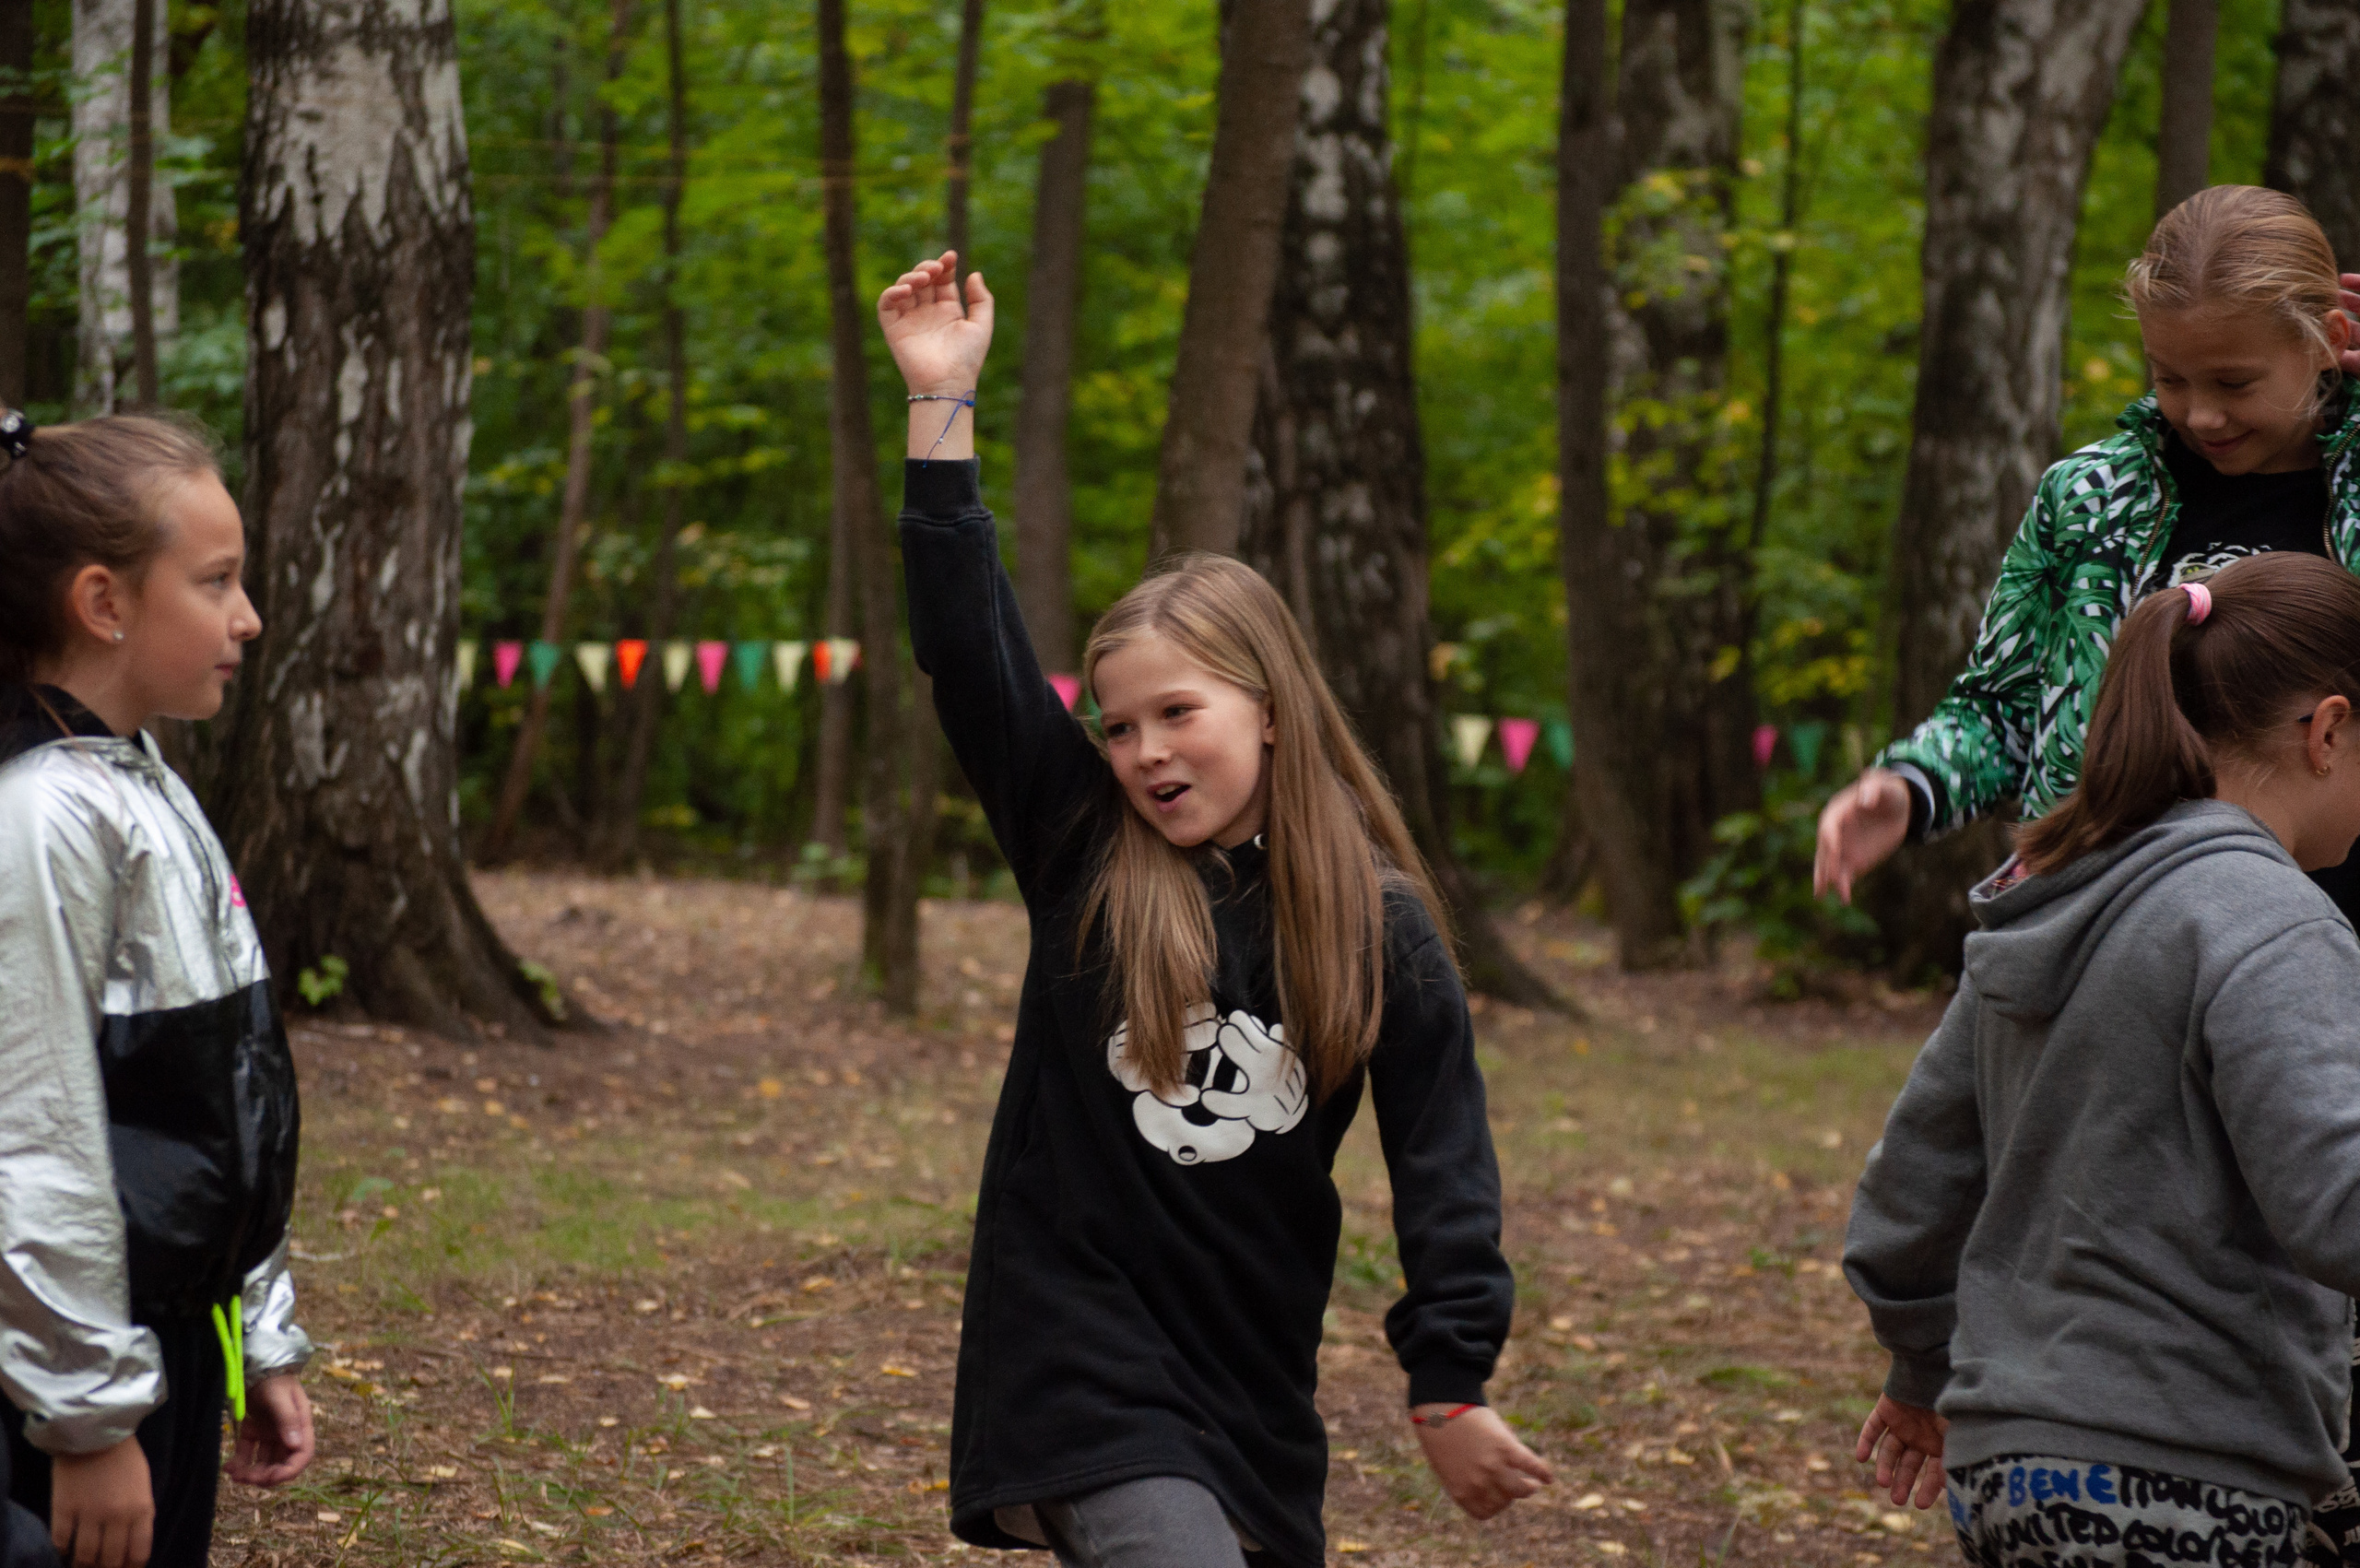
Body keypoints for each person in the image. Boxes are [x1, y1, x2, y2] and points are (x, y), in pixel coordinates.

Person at [875, 252, 1552, 1568]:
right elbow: (966, 645)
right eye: (1118, 725)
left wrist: (1450, 1378)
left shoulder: (1379, 930)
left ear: (1274, 711)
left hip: (1251, 1393)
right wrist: (942, 404)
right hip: (1074, 1365)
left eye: (1178, 712)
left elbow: (1444, 1172)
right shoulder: (1085, 852)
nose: (1143, 752)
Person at [1845, 552, 2360, 1567]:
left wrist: (1918, 1368)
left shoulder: (2057, 897)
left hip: (2007, 1473)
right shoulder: (2271, 921)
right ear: (2328, 731)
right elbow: (2337, 1202)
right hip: (2192, 1477)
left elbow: (1909, 1194)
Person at [1816, 186, 2360, 911]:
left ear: (2324, 339)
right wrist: (1914, 787)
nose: (2201, 412)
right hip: (2115, 939)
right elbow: (2001, 707)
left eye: (2235, 381)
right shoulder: (2089, 498)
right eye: (2169, 378)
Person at [0, 411, 314, 1568]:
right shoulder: (41, 815)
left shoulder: (148, 785)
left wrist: (257, 1339)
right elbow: (29, 1136)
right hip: (62, 1364)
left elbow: (220, 1090)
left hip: (167, 1348)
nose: (250, 617)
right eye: (219, 581)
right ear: (103, 603)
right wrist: (84, 1420)